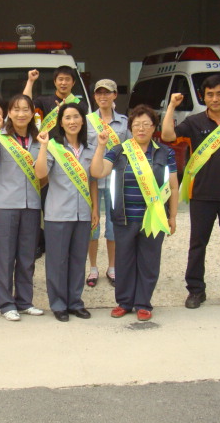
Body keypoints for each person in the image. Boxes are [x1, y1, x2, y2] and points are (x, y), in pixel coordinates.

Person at [161, 74, 220, 311]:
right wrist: (172, 106)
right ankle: (196, 290)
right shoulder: (194, 122)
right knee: (197, 245)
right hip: (201, 194)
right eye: (210, 94)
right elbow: (167, 136)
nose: (215, 99)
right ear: (203, 97)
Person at [91, 104, 179, 321]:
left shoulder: (165, 152)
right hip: (124, 217)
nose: (141, 129)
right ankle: (124, 302)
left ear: (154, 127)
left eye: (146, 124)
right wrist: (101, 146)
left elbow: (173, 186)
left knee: (149, 261)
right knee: (124, 261)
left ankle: (143, 303)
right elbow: (98, 171)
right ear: (130, 128)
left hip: (154, 218)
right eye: (137, 124)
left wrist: (172, 216)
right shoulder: (119, 151)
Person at [0, 93, 45, 321]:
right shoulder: (1, 137)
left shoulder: (39, 139)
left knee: (27, 257)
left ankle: (25, 301)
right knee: (5, 257)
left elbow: (42, 173)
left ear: (32, 113)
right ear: (9, 112)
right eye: (16, 109)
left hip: (31, 205)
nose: (21, 114)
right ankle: (6, 304)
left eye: (26, 109)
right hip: (5, 205)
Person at [34, 103, 98, 322]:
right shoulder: (54, 146)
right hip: (58, 214)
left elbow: (93, 181)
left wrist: (95, 208)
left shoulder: (89, 148)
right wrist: (43, 147)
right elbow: (40, 173)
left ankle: (75, 302)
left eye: (76, 117)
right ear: (60, 122)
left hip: (83, 213)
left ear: (83, 120)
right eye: (67, 117)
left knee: (78, 260)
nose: (72, 121)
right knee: (57, 262)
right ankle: (59, 304)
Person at [85, 79, 130, 287]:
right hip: (92, 180)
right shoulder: (87, 121)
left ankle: (112, 267)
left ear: (114, 95)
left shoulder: (124, 122)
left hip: (115, 180)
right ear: (95, 96)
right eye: (99, 93)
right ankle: (93, 268)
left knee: (113, 226)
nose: (103, 96)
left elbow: (130, 149)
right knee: (92, 226)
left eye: (107, 93)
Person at [29, 66, 89, 134]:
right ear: (55, 82)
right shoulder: (44, 101)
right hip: (48, 140)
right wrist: (30, 81)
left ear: (73, 82)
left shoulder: (80, 104)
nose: (63, 83)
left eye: (67, 79)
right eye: (60, 79)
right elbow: (26, 103)